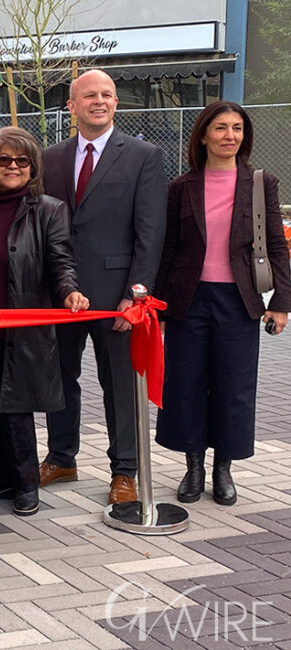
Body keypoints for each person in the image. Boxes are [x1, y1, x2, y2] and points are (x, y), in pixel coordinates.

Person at [155, 101, 291, 506]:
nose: (229, 135)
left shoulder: (260, 183)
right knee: (186, 384)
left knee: (233, 386)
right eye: (220, 128)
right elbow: (168, 249)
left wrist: (282, 302)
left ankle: (223, 468)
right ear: (203, 135)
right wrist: (159, 306)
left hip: (239, 300)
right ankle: (193, 466)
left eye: (236, 128)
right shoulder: (181, 187)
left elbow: (277, 247)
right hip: (188, 299)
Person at [40, 69, 166, 505]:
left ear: (115, 104)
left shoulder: (142, 156)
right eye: (89, 95)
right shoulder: (49, 157)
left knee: (120, 383)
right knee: (59, 377)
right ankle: (61, 457)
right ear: (71, 106)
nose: (100, 101)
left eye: (108, 95)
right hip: (62, 293)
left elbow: (151, 232)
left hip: (117, 296)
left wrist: (137, 294)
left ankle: (125, 470)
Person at [0, 127, 89, 517]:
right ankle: (1, 476)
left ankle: (26, 483)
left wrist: (69, 292)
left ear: (32, 168)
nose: (13, 167)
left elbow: (61, 261)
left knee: (17, 409)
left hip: (24, 326)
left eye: (22, 161)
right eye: (3, 160)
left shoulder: (49, 209)